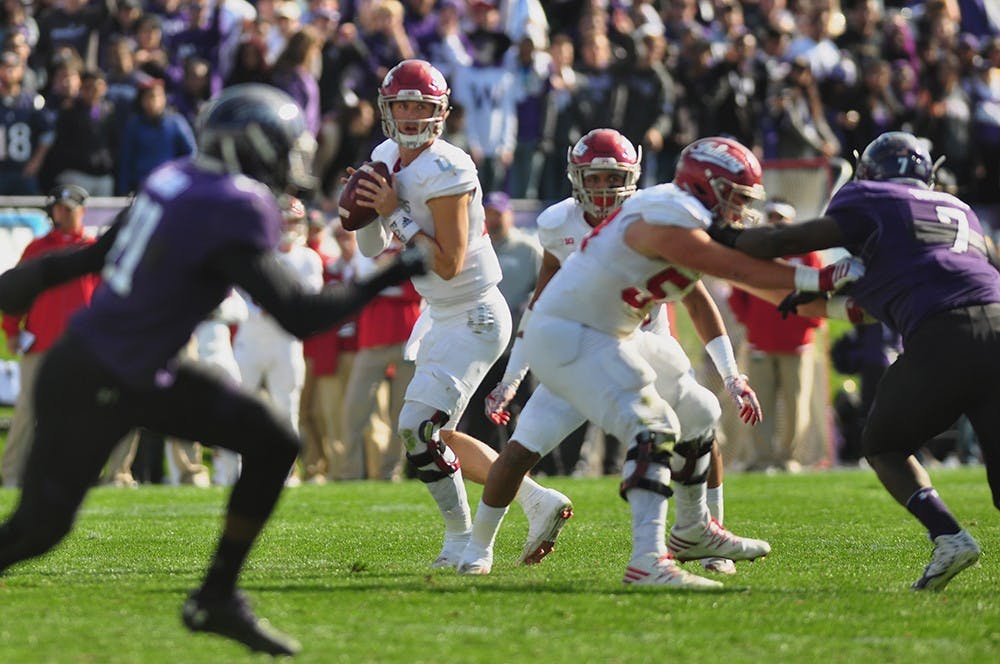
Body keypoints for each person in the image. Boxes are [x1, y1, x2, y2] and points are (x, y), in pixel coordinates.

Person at [0, 83, 427, 654]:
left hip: (127, 369)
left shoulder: (172, 180)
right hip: (98, 378)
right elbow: (299, 315)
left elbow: (88, 258)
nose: (289, 162)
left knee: (273, 438)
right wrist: (389, 274)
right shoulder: (230, 204)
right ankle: (216, 596)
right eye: (281, 148)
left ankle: (216, 596)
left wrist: (15, 288)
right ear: (250, 148)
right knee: (36, 532)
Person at [482, 135, 862, 587]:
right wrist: (823, 275)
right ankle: (647, 561)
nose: (742, 208)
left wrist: (850, 308)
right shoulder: (664, 213)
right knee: (654, 427)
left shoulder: (685, 215)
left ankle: (693, 528)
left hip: (616, 334)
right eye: (737, 198)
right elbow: (739, 269)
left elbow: (768, 282)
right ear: (709, 190)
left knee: (700, 411)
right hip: (571, 333)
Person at [458, 129, 768, 576]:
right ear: (576, 176)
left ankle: (704, 532)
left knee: (698, 419)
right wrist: (511, 379)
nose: (604, 189)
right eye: (595, 179)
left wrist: (731, 374)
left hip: (646, 343)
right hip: (579, 345)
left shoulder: (655, 218)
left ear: (633, 177)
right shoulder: (558, 223)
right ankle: (478, 547)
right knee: (524, 445)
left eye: (612, 178)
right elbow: (540, 304)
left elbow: (697, 299)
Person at [713, 130, 995, 592]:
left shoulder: (872, 198)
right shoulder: (959, 209)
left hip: (944, 332)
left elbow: (783, 240)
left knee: (883, 443)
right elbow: (925, 279)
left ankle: (948, 535)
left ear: (870, 169)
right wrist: (829, 292)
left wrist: (717, 233)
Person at [350, 58, 552, 568]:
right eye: (403, 105)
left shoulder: (450, 166)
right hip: (440, 313)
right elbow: (370, 250)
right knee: (432, 432)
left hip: (475, 312)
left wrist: (392, 211)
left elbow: (447, 262)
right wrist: (361, 213)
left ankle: (463, 542)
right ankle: (536, 500)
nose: (412, 115)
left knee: (416, 428)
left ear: (439, 112)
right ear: (387, 108)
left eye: (421, 105)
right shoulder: (384, 154)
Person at [1, 185, 98, 488]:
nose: (61, 213)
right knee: (27, 411)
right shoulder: (37, 248)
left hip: (83, 346)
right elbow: (17, 291)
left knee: (84, 413)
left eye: (68, 208)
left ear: (83, 211)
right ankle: (11, 475)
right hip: (40, 342)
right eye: (58, 207)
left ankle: (78, 476)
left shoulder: (95, 249)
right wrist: (11, 329)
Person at [727, 199, 824, 472]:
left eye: (781, 218)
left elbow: (821, 289)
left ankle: (788, 458)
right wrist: (751, 323)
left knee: (796, 403)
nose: (776, 222)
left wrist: (808, 325)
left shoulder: (808, 255)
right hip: (760, 342)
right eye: (771, 217)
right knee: (759, 402)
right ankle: (761, 457)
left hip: (797, 343)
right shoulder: (755, 254)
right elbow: (738, 292)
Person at [233, 194, 324, 486]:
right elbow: (238, 293)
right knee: (238, 405)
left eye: (294, 221)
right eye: (284, 220)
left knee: (286, 408)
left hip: (286, 340)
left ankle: (283, 473)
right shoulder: (257, 251)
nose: (288, 226)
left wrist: (276, 307)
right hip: (252, 335)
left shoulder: (308, 258)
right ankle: (231, 473)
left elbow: (311, 298)